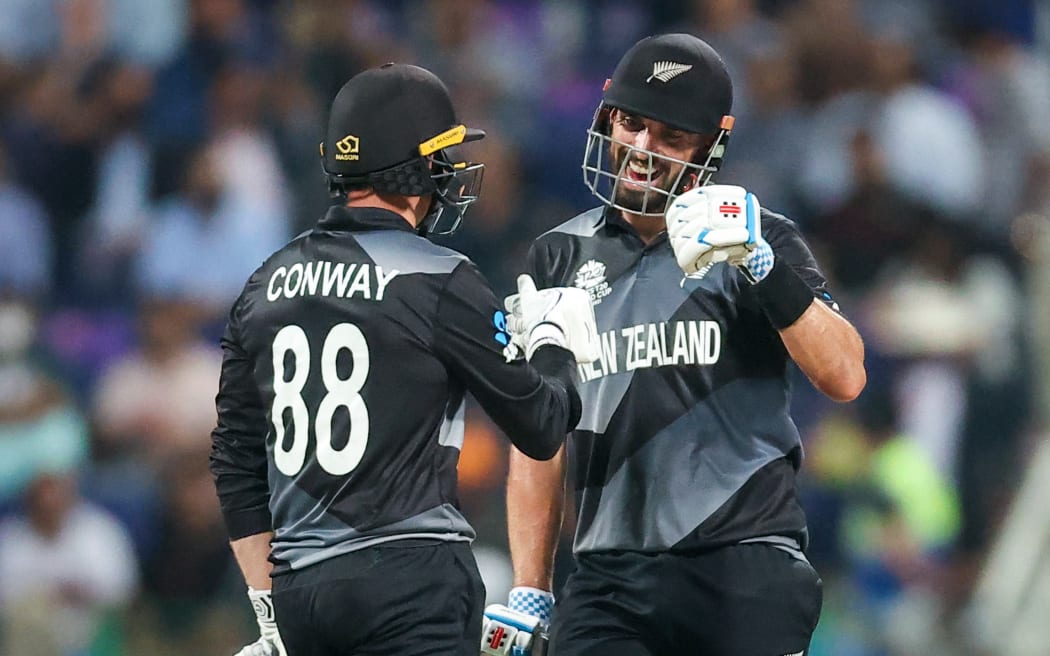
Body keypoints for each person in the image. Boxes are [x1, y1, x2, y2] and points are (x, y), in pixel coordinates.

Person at [492, 34, 866, 656]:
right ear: (608, 116)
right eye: (631, 124)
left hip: (742, 564)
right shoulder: (557, 254)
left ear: (711, 144)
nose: (641, 150)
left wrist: (762, 264)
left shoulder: (757, 235)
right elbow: (540, 438)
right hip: (606, 582)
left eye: (670, 137)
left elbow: (846, 375)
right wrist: (531, 589)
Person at [209, 62, 599, 656]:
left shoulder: (264, 282)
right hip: (409, 582)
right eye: (440, 155)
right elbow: (542, 426)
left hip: (299, 593)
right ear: (411, 165)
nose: (450, 171)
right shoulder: (439, 276)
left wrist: (268, 610)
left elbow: (235, 458)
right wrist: (554, 346)